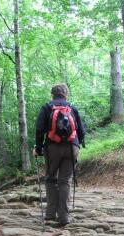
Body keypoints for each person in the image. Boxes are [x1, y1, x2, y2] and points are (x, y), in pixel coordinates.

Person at [33, 83, 85, 227]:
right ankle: (64, 217)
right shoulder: (72, 108)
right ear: (66, 94)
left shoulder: (47, 107)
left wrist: (38, 147)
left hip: (52, 147)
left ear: (52, 94)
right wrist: (77, 145)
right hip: (71, 147)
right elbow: (81, 131)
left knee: (50, 179)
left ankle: (50, 214)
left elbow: (39, 129)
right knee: (65, 180)